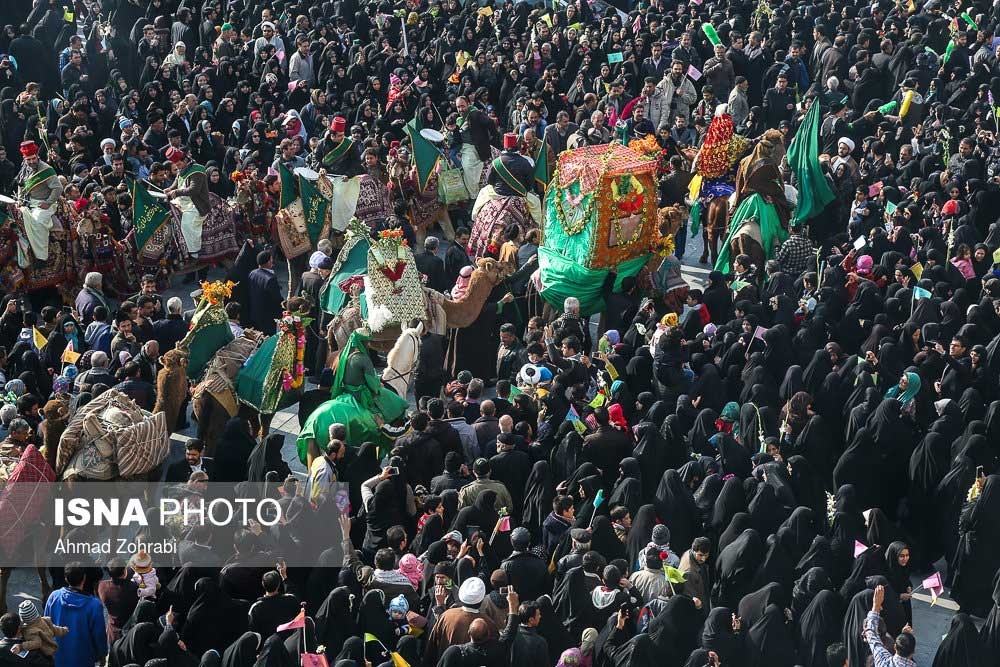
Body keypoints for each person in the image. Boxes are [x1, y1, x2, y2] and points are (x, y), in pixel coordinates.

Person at [43, 563, 108, 667]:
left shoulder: (54, 597)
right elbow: (99, 635)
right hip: (83, 659)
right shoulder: (94, 605)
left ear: (66, 578)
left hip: (58, 657)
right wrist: (103, 655)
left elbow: (45, 627)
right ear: (84, 578)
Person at [15, 141, 62, 267]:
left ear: (37, 156)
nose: (31, 162)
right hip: (29, 202)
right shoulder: (25, 168)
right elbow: (21, 185)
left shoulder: (46, 169)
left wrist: (48, 202)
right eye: (28, 160)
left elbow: (58, 188)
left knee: (38, 221)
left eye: (33, 159)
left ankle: (41, 257)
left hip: (44, 203)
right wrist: (20, 200)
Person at [245, 250, 283, 334]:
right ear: (268, 261)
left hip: (254, 313)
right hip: (267, 317)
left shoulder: (252, 273)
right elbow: (276, 299)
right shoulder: (270, 279)